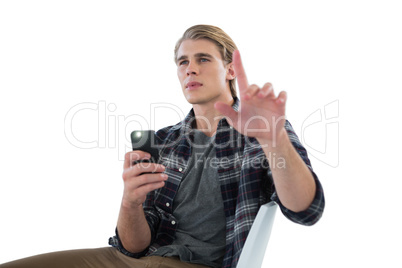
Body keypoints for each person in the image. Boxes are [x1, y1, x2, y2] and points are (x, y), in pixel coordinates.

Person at [1, 24, 324, 268]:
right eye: (182, 62)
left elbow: (306, 211)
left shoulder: (262, 131)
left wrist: (272, 139)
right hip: (142, 261)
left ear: (229, 70)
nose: (190, 69)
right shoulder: (163, 140)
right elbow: (134, 247)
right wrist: (130, 202)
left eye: (202, 59)